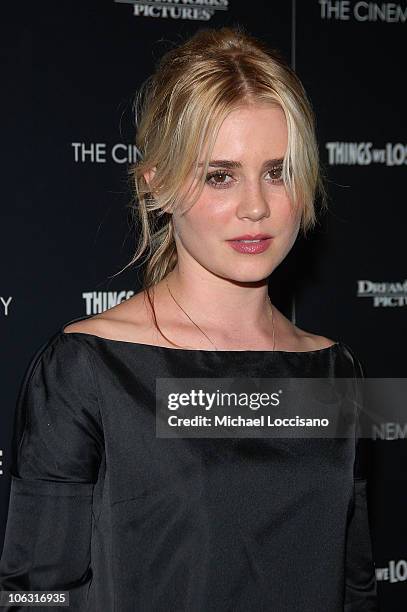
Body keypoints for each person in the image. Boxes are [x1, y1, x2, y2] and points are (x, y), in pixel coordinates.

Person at [0, 25, 378, 611]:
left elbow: (353, 589)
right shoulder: (87, 369)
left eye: (277, 171)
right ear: (159, 187)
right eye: (220, 175)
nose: (256, 206)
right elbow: (35, 596)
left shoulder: (337, 370)